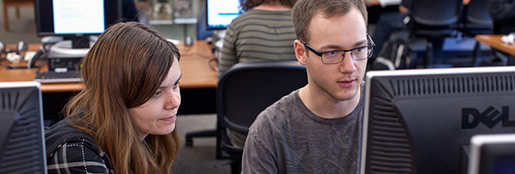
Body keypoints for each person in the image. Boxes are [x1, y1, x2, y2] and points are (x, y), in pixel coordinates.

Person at [241, 0, 375, 173]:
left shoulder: (393, 113)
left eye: (359, 48)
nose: (350, 67)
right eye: (331, 53)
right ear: (301, 53)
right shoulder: (269, 132)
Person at [45, 22, 182, 174]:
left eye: (175, 85)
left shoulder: (147, 130)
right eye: (156, 93)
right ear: (117, 96)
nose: (174, 102)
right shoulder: (78, 155)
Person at [218, 0, 298, 149]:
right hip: (297, 131)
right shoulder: (306, 25)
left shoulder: (238, 25)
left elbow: (223, 83)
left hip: (245, 132)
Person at [217, 0, 298, 79]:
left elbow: (223, 79)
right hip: (296, 92)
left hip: (247, 92)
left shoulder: (238, 25)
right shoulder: (303, 25)